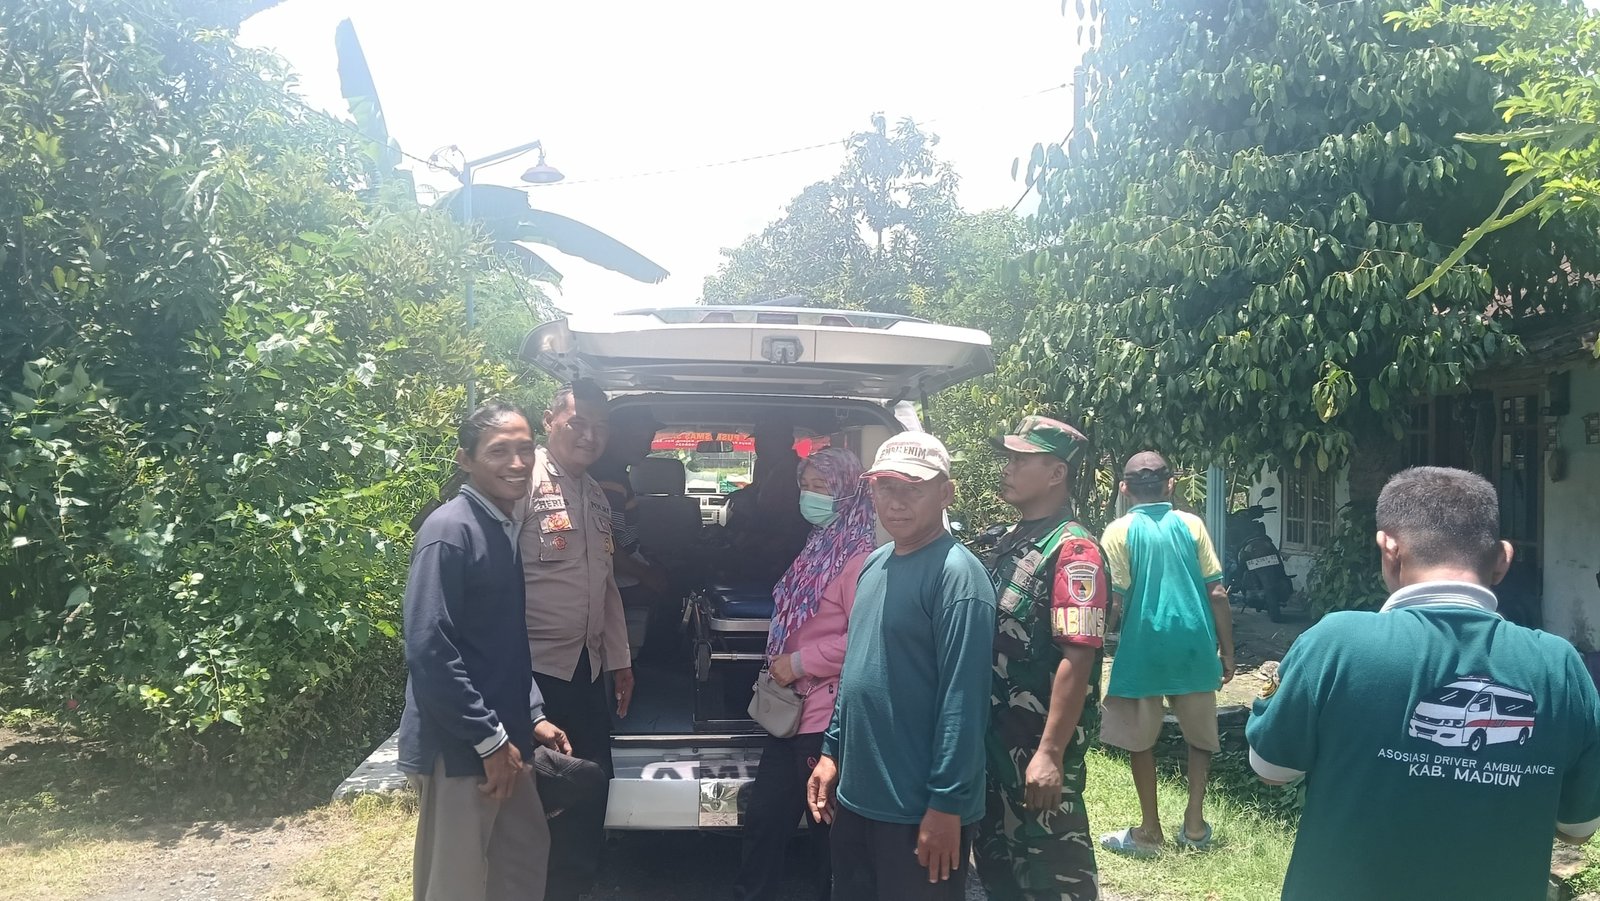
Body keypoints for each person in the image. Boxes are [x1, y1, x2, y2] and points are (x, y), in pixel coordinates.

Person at [1247, 467, 1600, 901]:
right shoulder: (1560, 667)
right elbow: (1578, 828)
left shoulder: (1336, 643)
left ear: (1389, 549)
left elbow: (1272, 769)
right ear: (1503, 560)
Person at [806, 432, 997, 901]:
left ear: (945, 493)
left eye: (913, 488)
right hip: (858, 798)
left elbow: (964, 703)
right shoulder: (875, 563)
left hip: (917, 809)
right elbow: (855, 672)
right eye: (885, 487)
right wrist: (832, 752)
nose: (896, 502)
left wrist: (946, 805)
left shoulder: (958, 577)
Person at [398, 402, 572, 901]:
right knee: (457, 881)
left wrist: (533, 713)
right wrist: (488, 740)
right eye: (499, 452)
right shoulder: (450, 531)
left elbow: (498, 641)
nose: (516, 463)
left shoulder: (499, 525)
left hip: (508, 736)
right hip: (464, 746)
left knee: (519, 861)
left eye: (524, 450)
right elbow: (430, 649)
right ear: (465, 459)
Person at [734, 447, 878, 901]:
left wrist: (797, 662)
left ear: (848, 493)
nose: (811, 496)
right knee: (764, 818)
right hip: (793, 708)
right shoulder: (820, 544)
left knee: (824, 828)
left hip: (825, 716)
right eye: (807, 485)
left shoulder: (860, 558)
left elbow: (864, 637)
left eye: (823, 487)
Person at [977, 417, 1108, 901]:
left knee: (1054, 876)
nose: (1007, 469)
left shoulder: (1074, 551)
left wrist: (1051, 754)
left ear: (1056, 473)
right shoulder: (1015, 540)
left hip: (1034, 749)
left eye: (1020, 460)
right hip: (995, 745)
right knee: (1002, 875)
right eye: (1008, 458)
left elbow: (1079, 656)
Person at [521, 381, 633, 901]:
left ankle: (572, 887)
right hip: (535, 671)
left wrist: (620, 661)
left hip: (587, 668)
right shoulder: (521, 483)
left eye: (600, 428)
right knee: (540, 797)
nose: (590, 436)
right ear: (550, 420)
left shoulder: (592, 492)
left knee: (592, 785)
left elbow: (606, 585)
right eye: (577, 424)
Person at [1096, 451, 1233, 856]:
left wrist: (1096, 642)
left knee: (1141, 740)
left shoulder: (1117, 532)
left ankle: (1149, 831)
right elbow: (1218, 592)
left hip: (1143, 647)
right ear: (1171, 484)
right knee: (1200, 737)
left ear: (1124, 488)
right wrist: (1227, 652)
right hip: (1193, 644)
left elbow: (1115, 601)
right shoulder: (1191, 525)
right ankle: (1194, 825)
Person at [589, 405, 676, 662]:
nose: (646, 446)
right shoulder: (608, 480)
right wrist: (646, 574)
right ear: (614, 433)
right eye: (639, 438)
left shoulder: (615, 474)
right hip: (613, 576)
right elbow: (608, 545)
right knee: (670, 590)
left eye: (648, 439)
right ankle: (659, 665)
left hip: (622, 567)